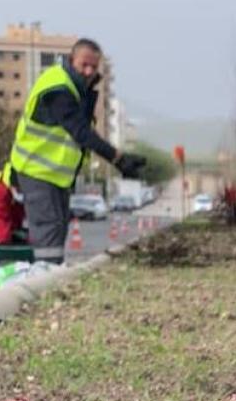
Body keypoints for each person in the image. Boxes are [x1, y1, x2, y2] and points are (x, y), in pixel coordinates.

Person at [9, 37, 145, 263]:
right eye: (84, 65)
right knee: (49, 231)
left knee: (57, 228)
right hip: (36, 170)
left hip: (52, 174)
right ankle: (45, 277)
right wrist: (118, 158)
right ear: (71, 60)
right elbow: (81, 131)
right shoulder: (58, 88)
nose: (89, 71)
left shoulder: (76, 88)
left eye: (94, 66)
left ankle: (49, 273)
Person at [0, 163, 25, 245]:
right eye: (18, 190)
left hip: (13, 206)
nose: (20, 192)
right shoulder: (2, 190)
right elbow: (0, 217)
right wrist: (4, 242)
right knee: (3, 232)